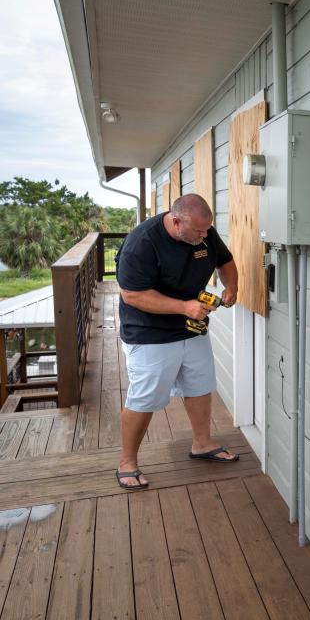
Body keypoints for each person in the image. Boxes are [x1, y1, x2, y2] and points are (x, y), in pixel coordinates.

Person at [115, 193, 240, 489]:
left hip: (191, 327)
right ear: (176, 221)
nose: (204, 235)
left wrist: (232, 286)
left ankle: (202, 443)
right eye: (198, 231)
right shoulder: (142, 243)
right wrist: (184, 306)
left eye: (207, 229)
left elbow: (225, 261)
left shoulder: (203, 232)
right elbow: (132, 294)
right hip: (149, 333)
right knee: (144, 397)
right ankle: (127, 462)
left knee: (200, 384)